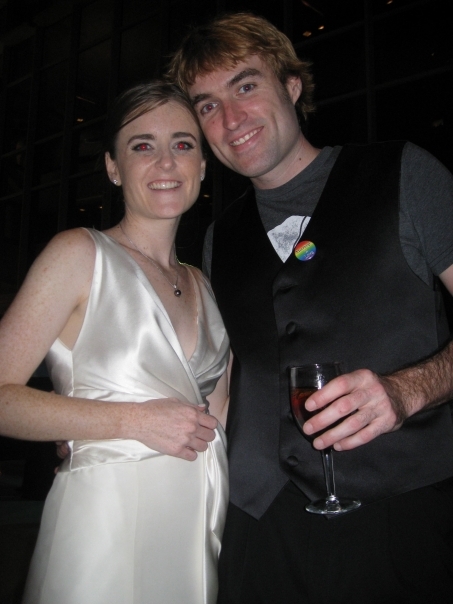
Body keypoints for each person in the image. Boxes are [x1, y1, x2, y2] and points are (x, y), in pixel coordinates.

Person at [166, 12, 453, 603]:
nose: (231, 118)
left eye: (246, 85)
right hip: (259, 527)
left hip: (399, 517)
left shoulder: (404, 174)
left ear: (292, 86)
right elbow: (219, 382)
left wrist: (409, 390)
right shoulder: (220, 239)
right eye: (208, 105)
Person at [0, 81, 230, 604]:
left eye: (183, 144)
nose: (166, 162)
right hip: (105, 524)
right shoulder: (79, 254)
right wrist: (129, 422)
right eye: (142, 145)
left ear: (201, 165)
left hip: (195, 525)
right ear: (112, 167)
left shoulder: (203, 283)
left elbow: (220, 418)